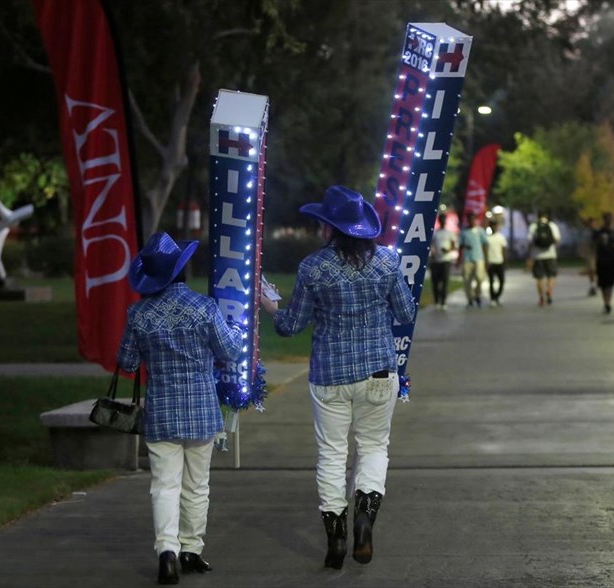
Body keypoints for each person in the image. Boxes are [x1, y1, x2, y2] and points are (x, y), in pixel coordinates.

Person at [259, 186, 417, 569]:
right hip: (379, 369)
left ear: (329, 226)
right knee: (374, 447)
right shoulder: (387, 262)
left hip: (329, 373)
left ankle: (336, 538)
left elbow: (291, 325)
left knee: (332, 453)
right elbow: (405, 311)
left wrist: (269, 305)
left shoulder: (313, 267)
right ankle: (365, 514)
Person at [117, 231, 245, 585]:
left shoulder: (137, 314)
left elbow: (126, 363)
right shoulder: (203, 308)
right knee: (197, 484)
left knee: (164, 485)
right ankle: (192, 549)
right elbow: (230, 351)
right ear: (181, 270)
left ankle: (166, 553)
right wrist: (236, 328)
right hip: (201, 410)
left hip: (161, 411)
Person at [528, 213, 561, 306]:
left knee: (539, 278)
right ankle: (549, 290)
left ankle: (541, 298)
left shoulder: (533, 226)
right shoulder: (552, 225)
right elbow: (557, 240)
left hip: (537, 256)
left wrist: (529, 256)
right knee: (551, 276)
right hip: (551, 255)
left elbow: (530, 241)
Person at [429, 211, 458, 309]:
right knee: (435, 282)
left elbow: (454, 246)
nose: (442, 221)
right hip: (436, 260)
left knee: (445, 282)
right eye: (441, 219)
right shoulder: (435, 233)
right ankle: (437, 301)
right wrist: (432, 252)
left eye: (443, 219)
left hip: (446, 260)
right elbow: (431, 244)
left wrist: (447, 250)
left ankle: (443, 301)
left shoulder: (449, 233)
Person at [458, 212, 488, 307]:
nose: (471, 221)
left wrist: (487, 258)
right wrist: (459, 259)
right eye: (470, 219)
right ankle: (470, 299)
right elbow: (460, 245)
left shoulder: (480, 231)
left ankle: (477, 294)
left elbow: (485, 244)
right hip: (467, 258)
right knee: (467, 280)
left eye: (473, 219)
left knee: (480, 278)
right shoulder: (464, 231)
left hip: (479, 258)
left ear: (475, 220)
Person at [593, 212, 614, 314]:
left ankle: (608, 302)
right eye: (607, 220)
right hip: (601, 260)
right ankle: (606, 302)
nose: (609, 222)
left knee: (610, 283)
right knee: (603, 284)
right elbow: (594, 243)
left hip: (612, 260)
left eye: (610, 219)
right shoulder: (599, 232)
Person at [485, 219, 508, 306]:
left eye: (496, 225)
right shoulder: (487, 238)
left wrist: (505, 261)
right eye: (493, 225)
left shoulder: (501, 237)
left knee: (502, 281)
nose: (494, 227)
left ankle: (497, 296)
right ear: (490, 227)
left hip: (499, 262)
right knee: (491, 281)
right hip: (491, 262)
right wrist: (486, 261)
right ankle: (492, 298)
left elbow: (504, 250)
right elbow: (485, 250)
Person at [578, 216, 598, 297]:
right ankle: (592, 286)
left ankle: (594, 286)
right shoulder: (586, 232)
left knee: (595, 270)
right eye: (591, 222)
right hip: (590, 254)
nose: (592, 224)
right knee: (591, 270)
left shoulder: (597, 231)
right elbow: (584, 242)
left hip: (597, 253)